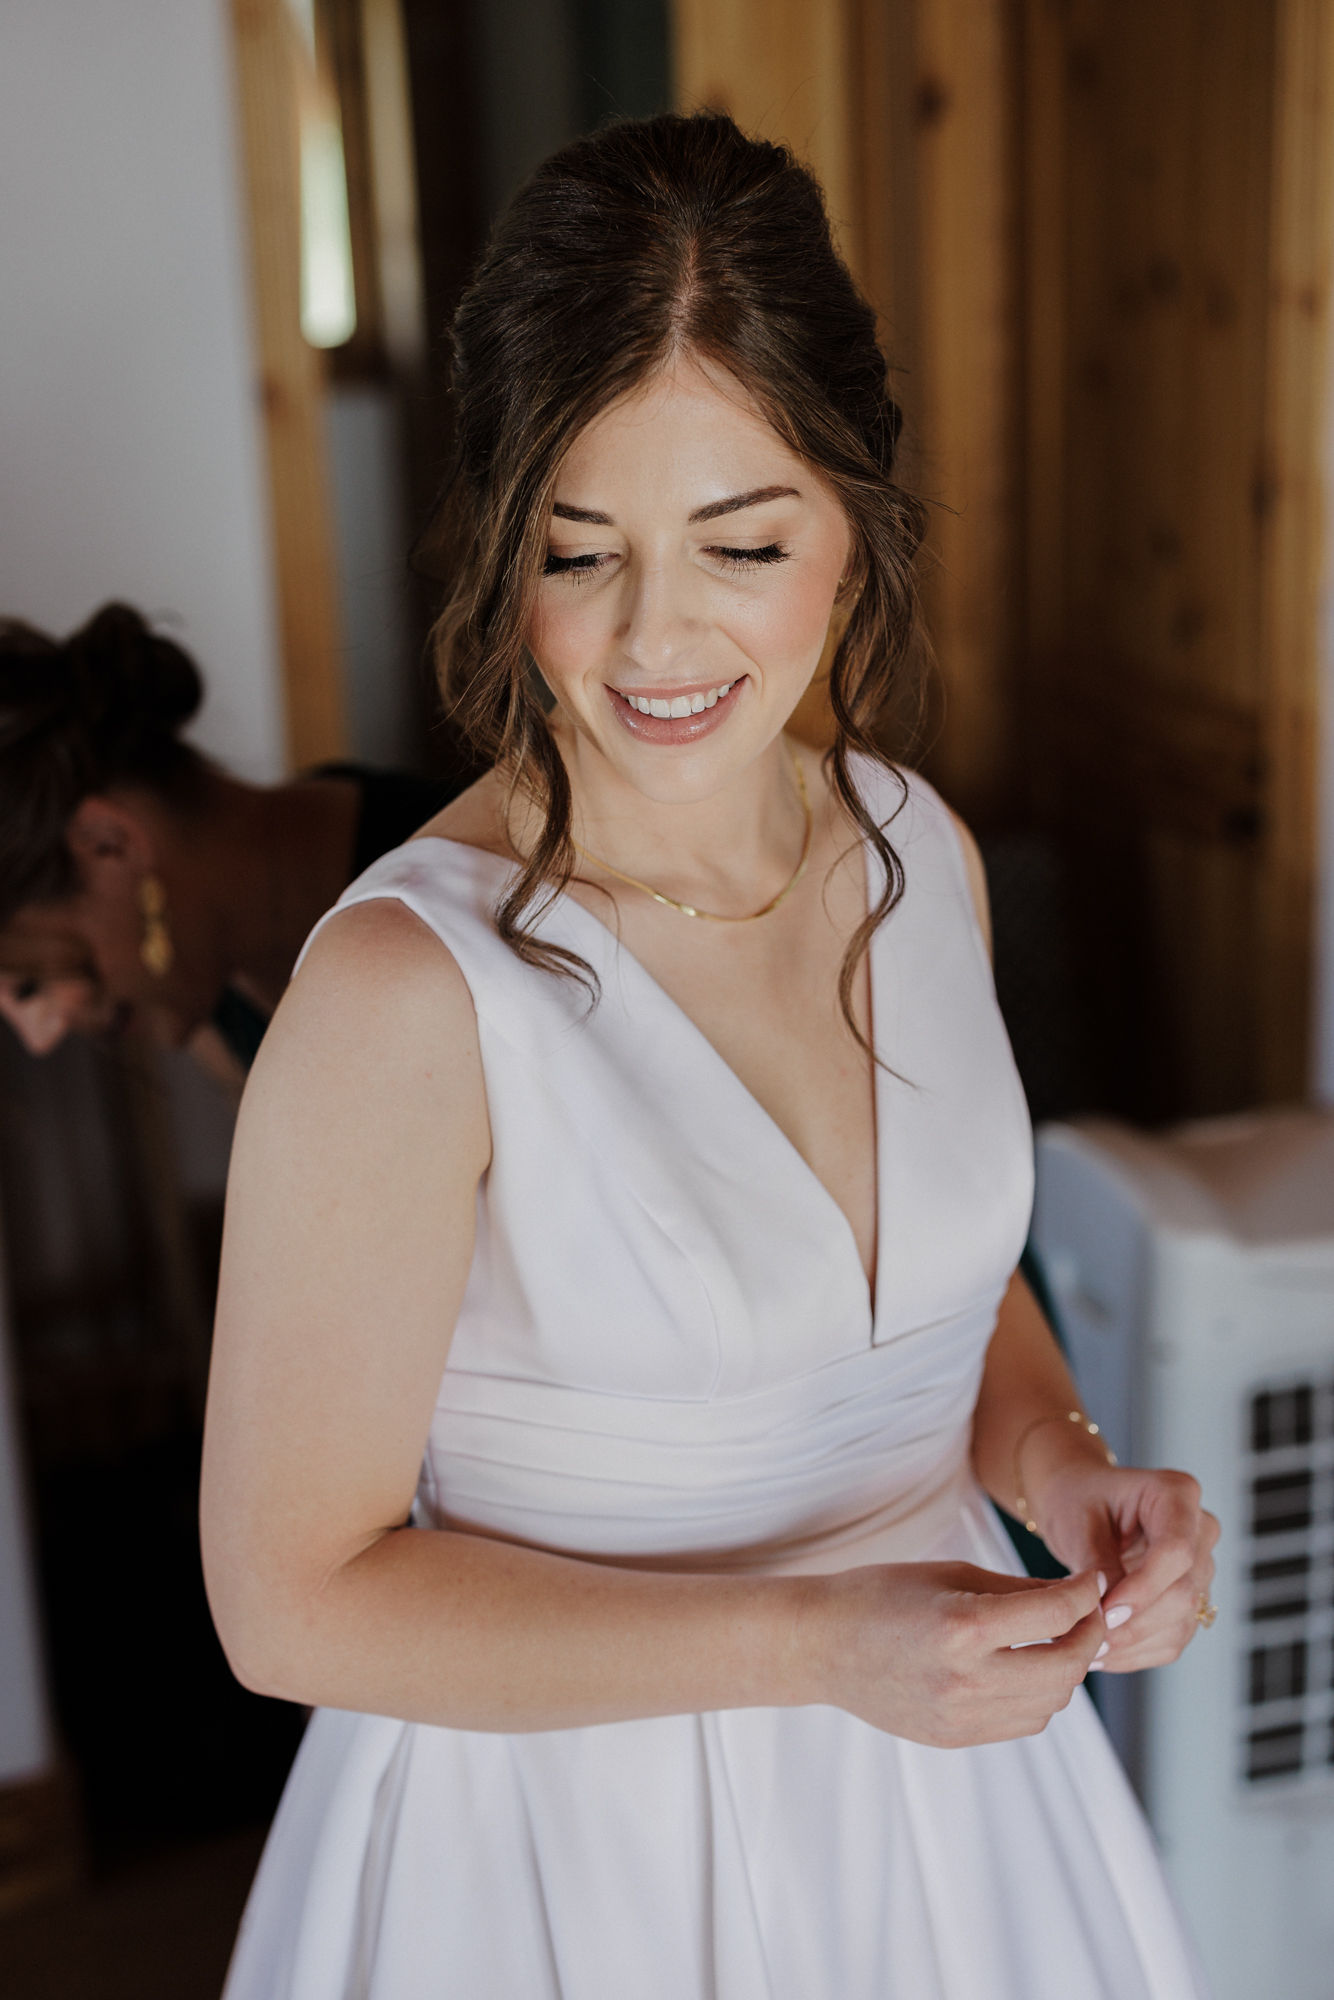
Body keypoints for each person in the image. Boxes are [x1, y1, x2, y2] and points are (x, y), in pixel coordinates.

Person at [201, 113, 1217, 1997]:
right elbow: (290, 1604)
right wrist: (815, 1650)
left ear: (853, 523)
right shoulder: (407, 997)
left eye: (739, 543)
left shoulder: (920, 856)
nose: (656, 640)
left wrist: (1061, 1468)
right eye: (578, 555)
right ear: (501, 547)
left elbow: (919, 1303)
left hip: (955, 1817)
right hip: (562, 1858)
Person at [0, 603, 475, 1080]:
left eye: (33, 983)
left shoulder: (451, 893)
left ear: (107, 843)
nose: (40, 1037)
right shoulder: (222, 1000)